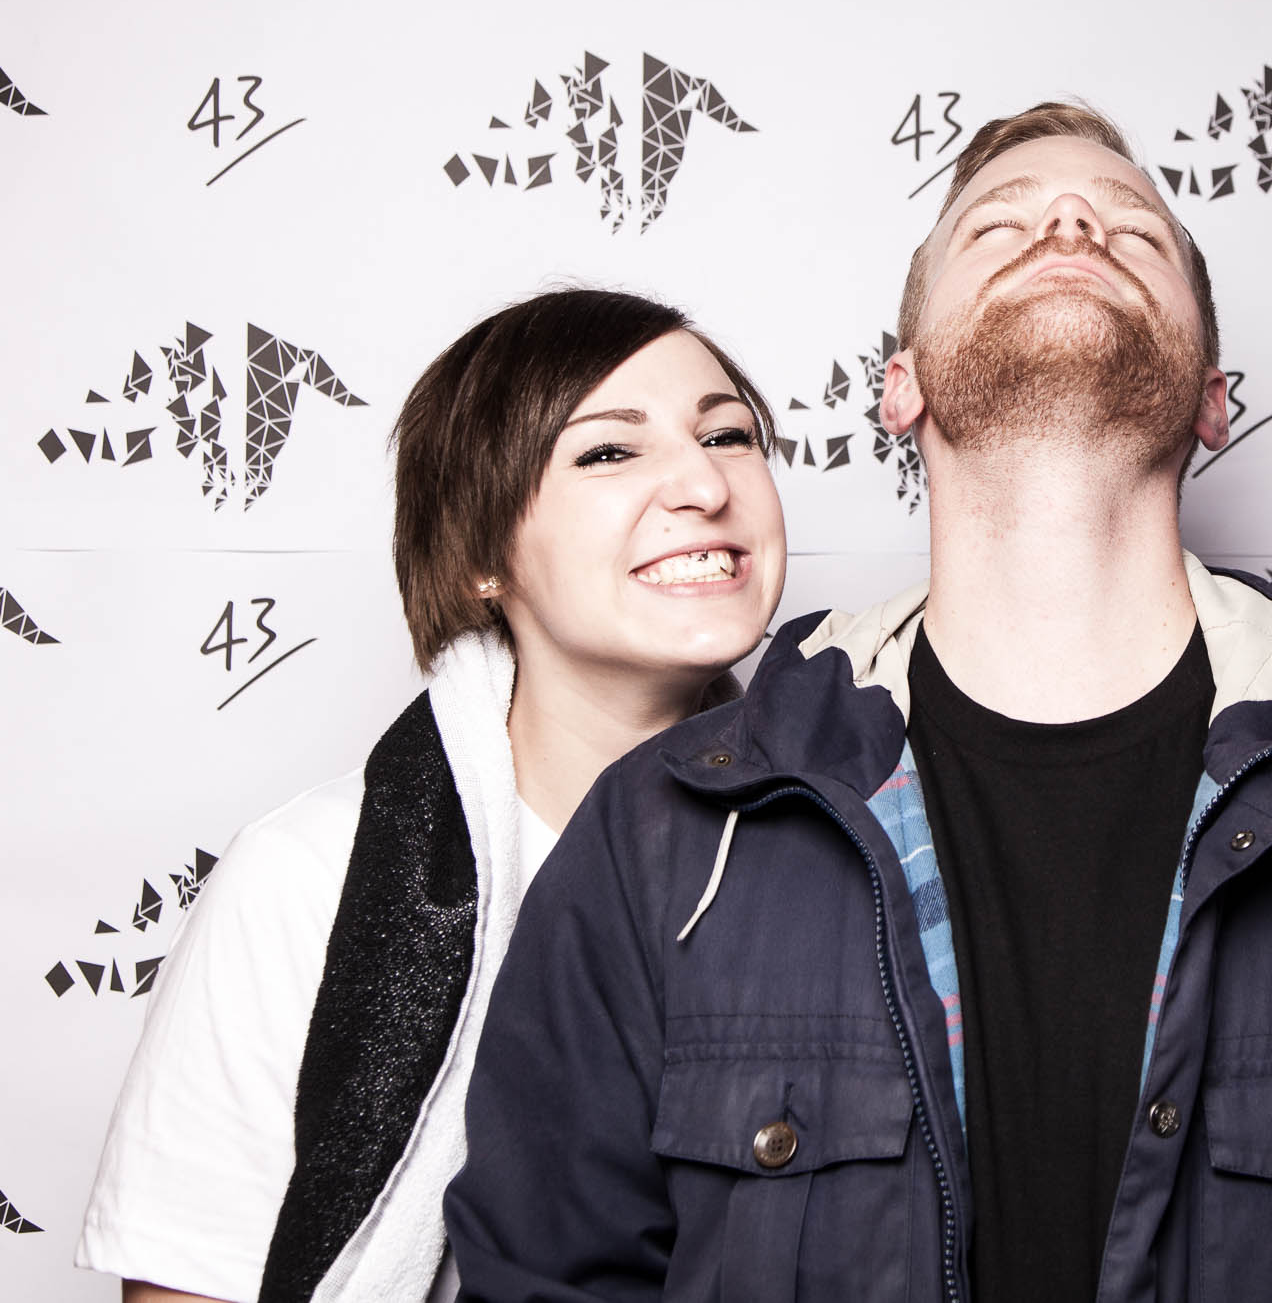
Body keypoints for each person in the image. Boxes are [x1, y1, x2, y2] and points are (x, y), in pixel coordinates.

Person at [446, 104, 1272, 1300]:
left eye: (1131, 229)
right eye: (998, 228)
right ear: (901, 384)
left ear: (1213, 400)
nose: (1071, 226)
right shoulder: (669, 834)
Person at [75, 287, 786, 1303]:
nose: (705, 485)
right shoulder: (308, 878)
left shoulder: (859, 849)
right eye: (607, 451)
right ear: (484, 554)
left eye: (726, 435)